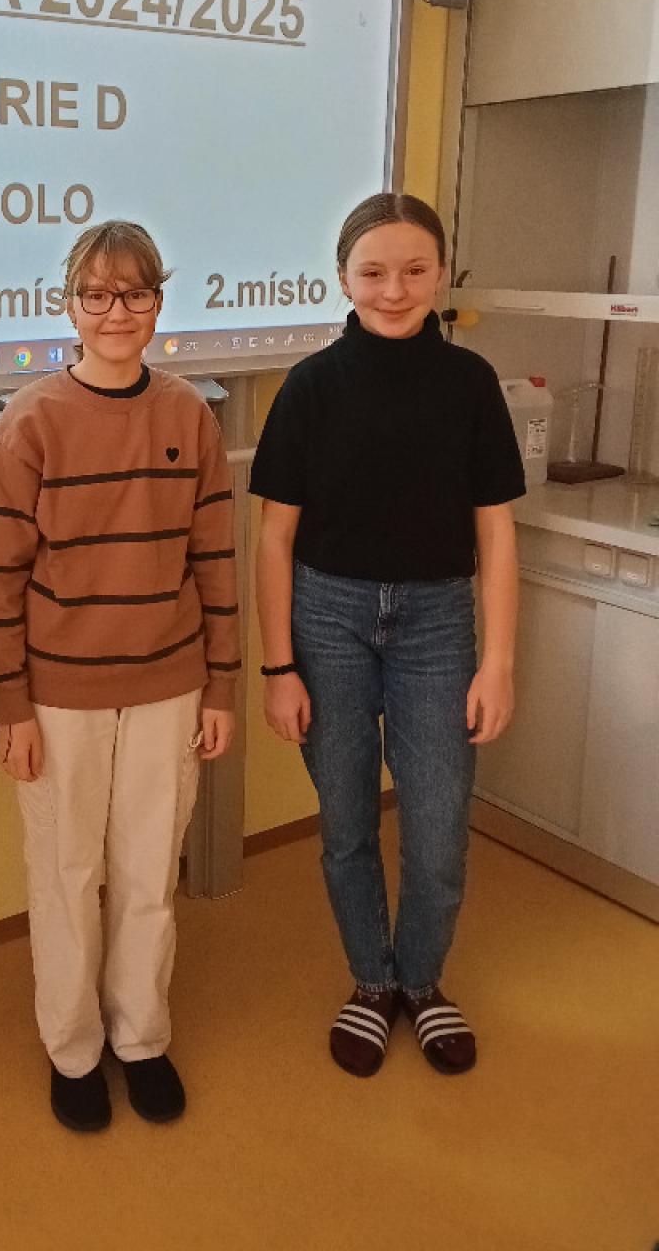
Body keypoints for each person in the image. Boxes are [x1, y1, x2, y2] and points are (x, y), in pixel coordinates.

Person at [0, 220, 241, 1132]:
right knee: (65, 875)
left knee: (147, 875)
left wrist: (222, 687)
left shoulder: (189, 414)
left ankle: (141, 1038)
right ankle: (74, 1049)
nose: (116, 311)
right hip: (59, 696)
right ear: (70, 305)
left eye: (134, 294)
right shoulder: (31, 420)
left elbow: (214, 559)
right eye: (97, 294)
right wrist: (11, 705)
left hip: (172, 684)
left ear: (158, 303)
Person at [251, 192, 524, 1078]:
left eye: (414, 270)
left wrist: (498, 662)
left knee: (438, 829)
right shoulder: (310, 386)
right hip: (326, 618)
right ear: (342, 278)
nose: (394, 290)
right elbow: (274, 539)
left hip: (438, 622)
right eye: (373, 272)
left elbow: (495, 532)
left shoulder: (470, 384)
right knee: (346, 824)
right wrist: (279, 668)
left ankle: (423, 980)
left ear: (440, 274)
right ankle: (373, 982)